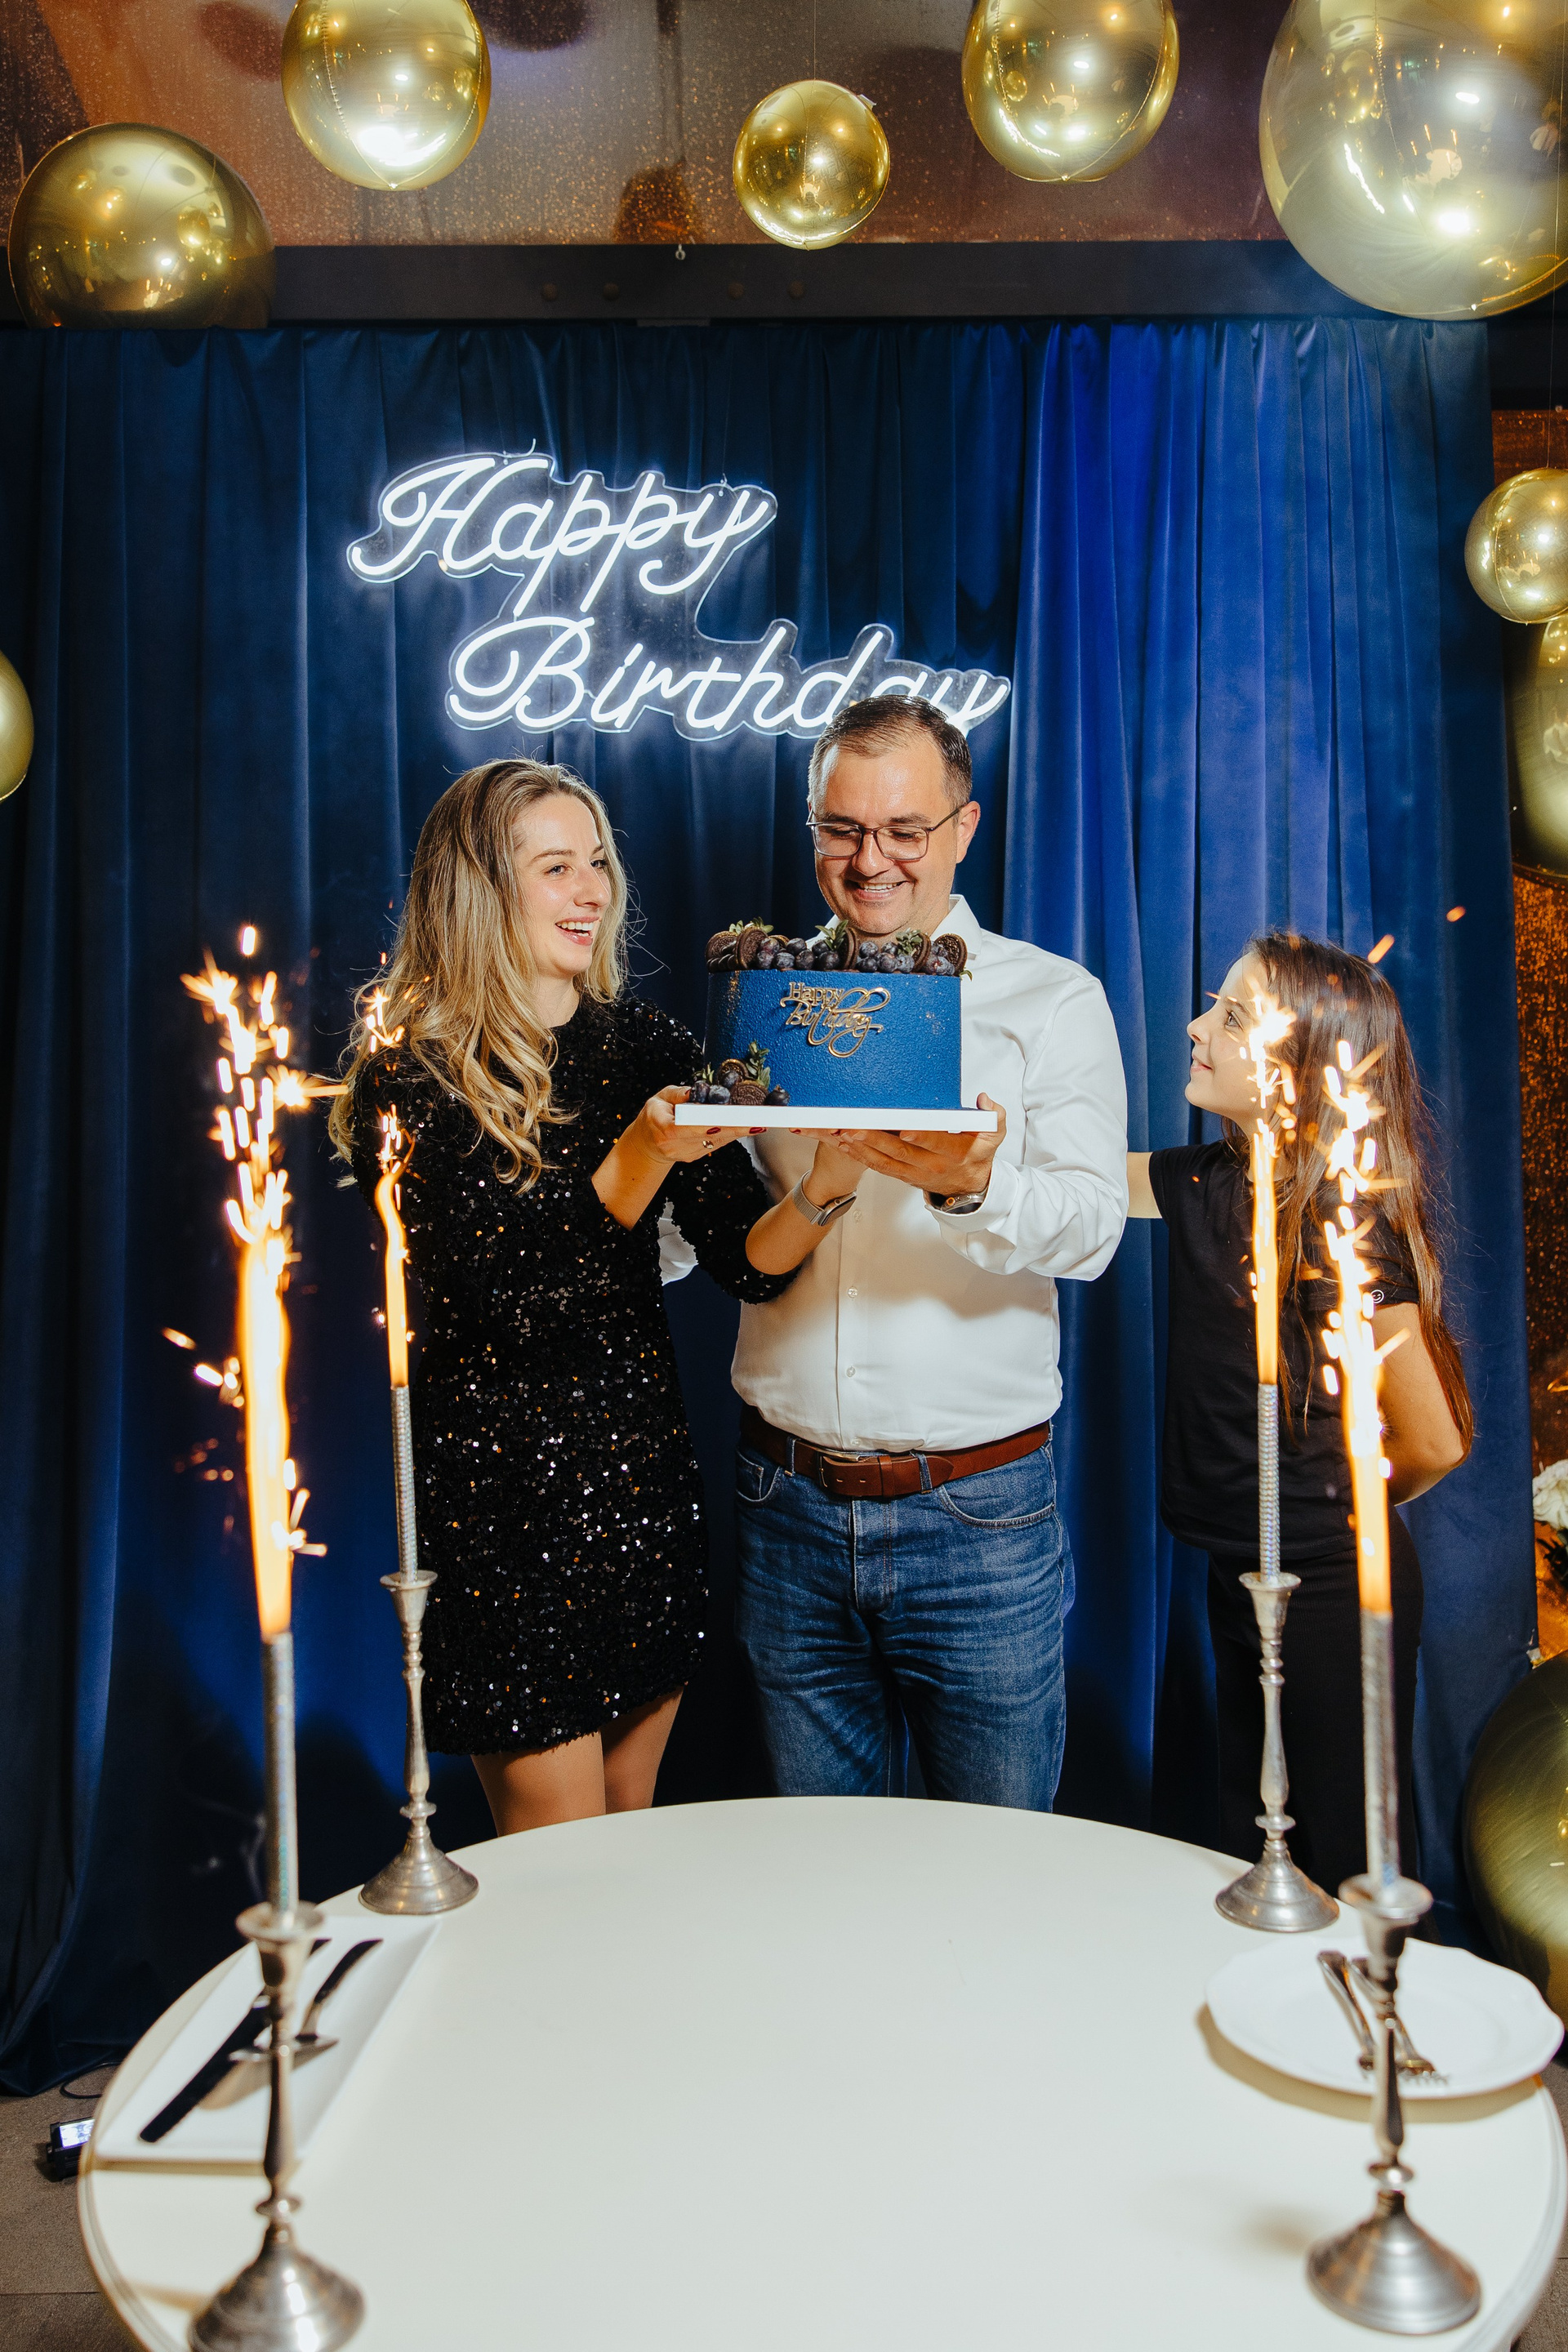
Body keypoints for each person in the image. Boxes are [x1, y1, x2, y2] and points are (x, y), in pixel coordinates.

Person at [331, 760, 864, 1835]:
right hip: (506, 1520)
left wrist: (829, 1183)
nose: (591, 891)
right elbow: (514, 1292)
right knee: (562, 1879)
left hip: (644, 1497)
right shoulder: (414, 1075)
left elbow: (748, 1263)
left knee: (631, 1851)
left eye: (599, 863)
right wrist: (644, 1153)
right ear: (480, 887)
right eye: (556, 867)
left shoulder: (648, 1046)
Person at [730, 695, 1129, 1809]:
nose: (872, 862)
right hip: (783, 1504)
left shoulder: (1052, 999)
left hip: (978, 1519)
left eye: (906, 830)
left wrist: (973, 1185)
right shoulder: (760, 1003)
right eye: (843, 829)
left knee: (994, 1870)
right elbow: (705, 1239)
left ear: (964, 827)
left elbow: (1092, 1228)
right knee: (821, 1865)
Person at [1125, 932, 1472, 1894]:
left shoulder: (1342, 1225)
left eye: (1232, 1017)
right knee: (1256, 1847)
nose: (1195, 1027)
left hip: (1325, 1586)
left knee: (1349, 1859)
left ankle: (1386, 1994)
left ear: (1298, 1067)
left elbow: (1434, 1440)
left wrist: (1332, 1519)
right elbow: (1070, 1185)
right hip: (1236, 1568)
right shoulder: (1205, 1183)